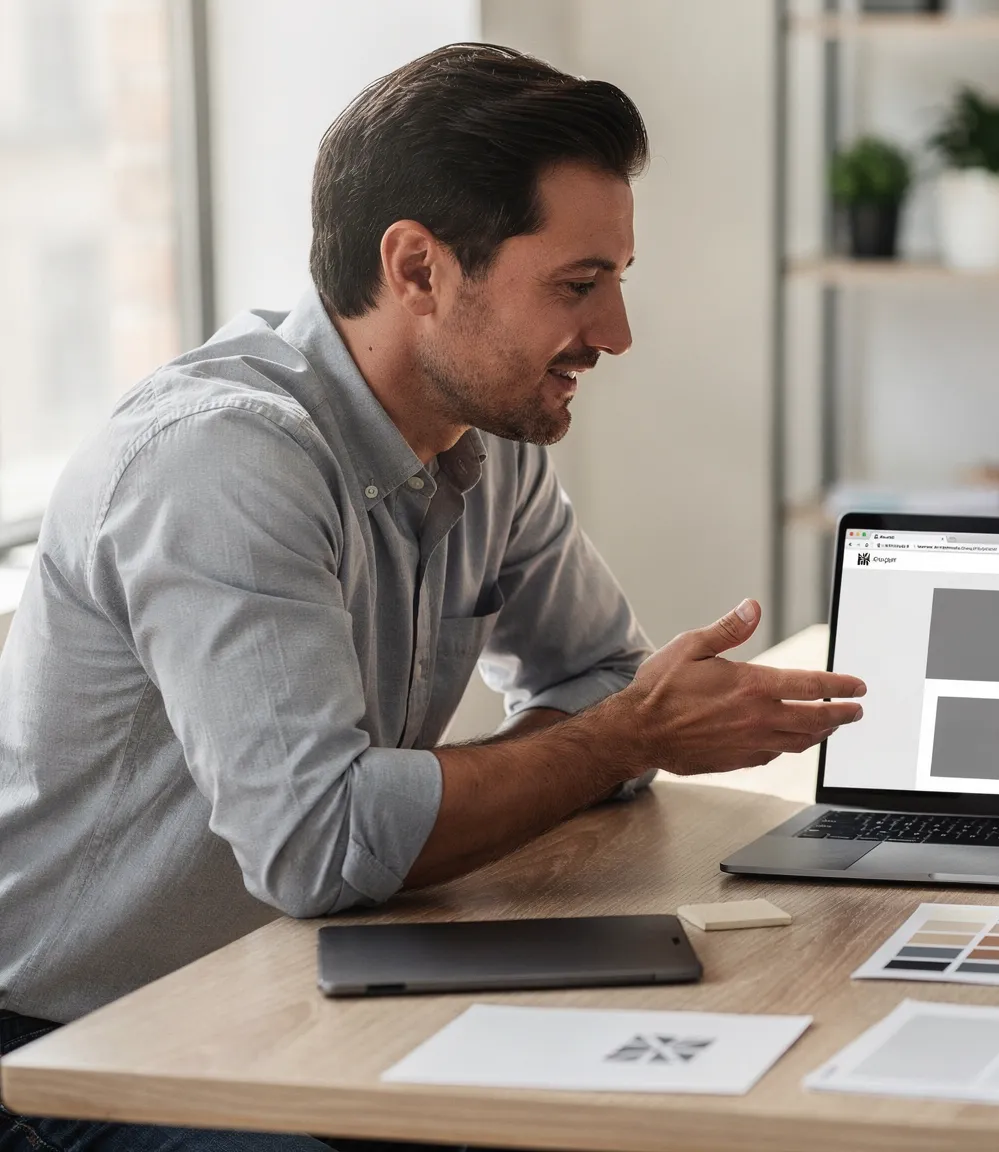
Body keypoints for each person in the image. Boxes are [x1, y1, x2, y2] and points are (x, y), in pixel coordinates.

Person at [0, 44, 865, 1152]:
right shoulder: (222, 461)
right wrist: (614, 738)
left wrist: (606, 731)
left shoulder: (487, 438)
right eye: (577, 284)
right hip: (72, 1053)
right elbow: (321, 842)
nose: (614, 335)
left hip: (298, 981)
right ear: (416, 268)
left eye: (617, 280)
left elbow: (599, 676)